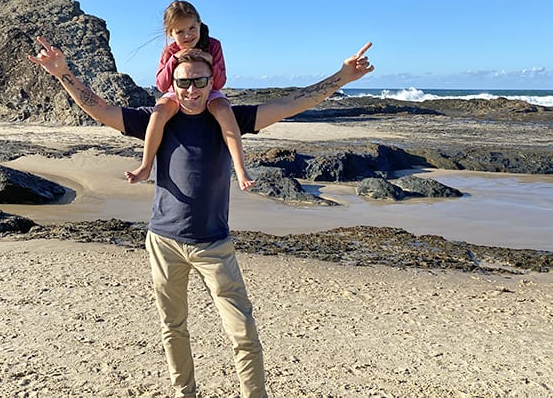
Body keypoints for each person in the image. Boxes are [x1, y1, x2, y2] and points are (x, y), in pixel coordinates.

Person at [28, 35, 374, 398]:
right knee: (172, 327)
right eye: (184, 82)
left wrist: (342, 77)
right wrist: (62, 73)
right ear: (172, 84)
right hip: (164, 243)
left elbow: (291, 103)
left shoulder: (230, 118)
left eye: (200, 81)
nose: (192, 90)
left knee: (243, 332)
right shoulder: (157, 119)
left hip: (214, 245)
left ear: (213, 83)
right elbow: (101, 109)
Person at [126, 0, 255, 190]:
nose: (187, 35)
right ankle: (145, 166)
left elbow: (219, 82)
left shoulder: (213, 45)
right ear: (170, 33)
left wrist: (209, 60)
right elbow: (162, 85)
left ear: (200, 24)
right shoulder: (169, 51)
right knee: (159, 111)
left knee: (223, 109)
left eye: (192, 28)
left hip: (208, 91)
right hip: (176, 93)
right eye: (179, 32)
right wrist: (174, 59)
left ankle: (240, 168)